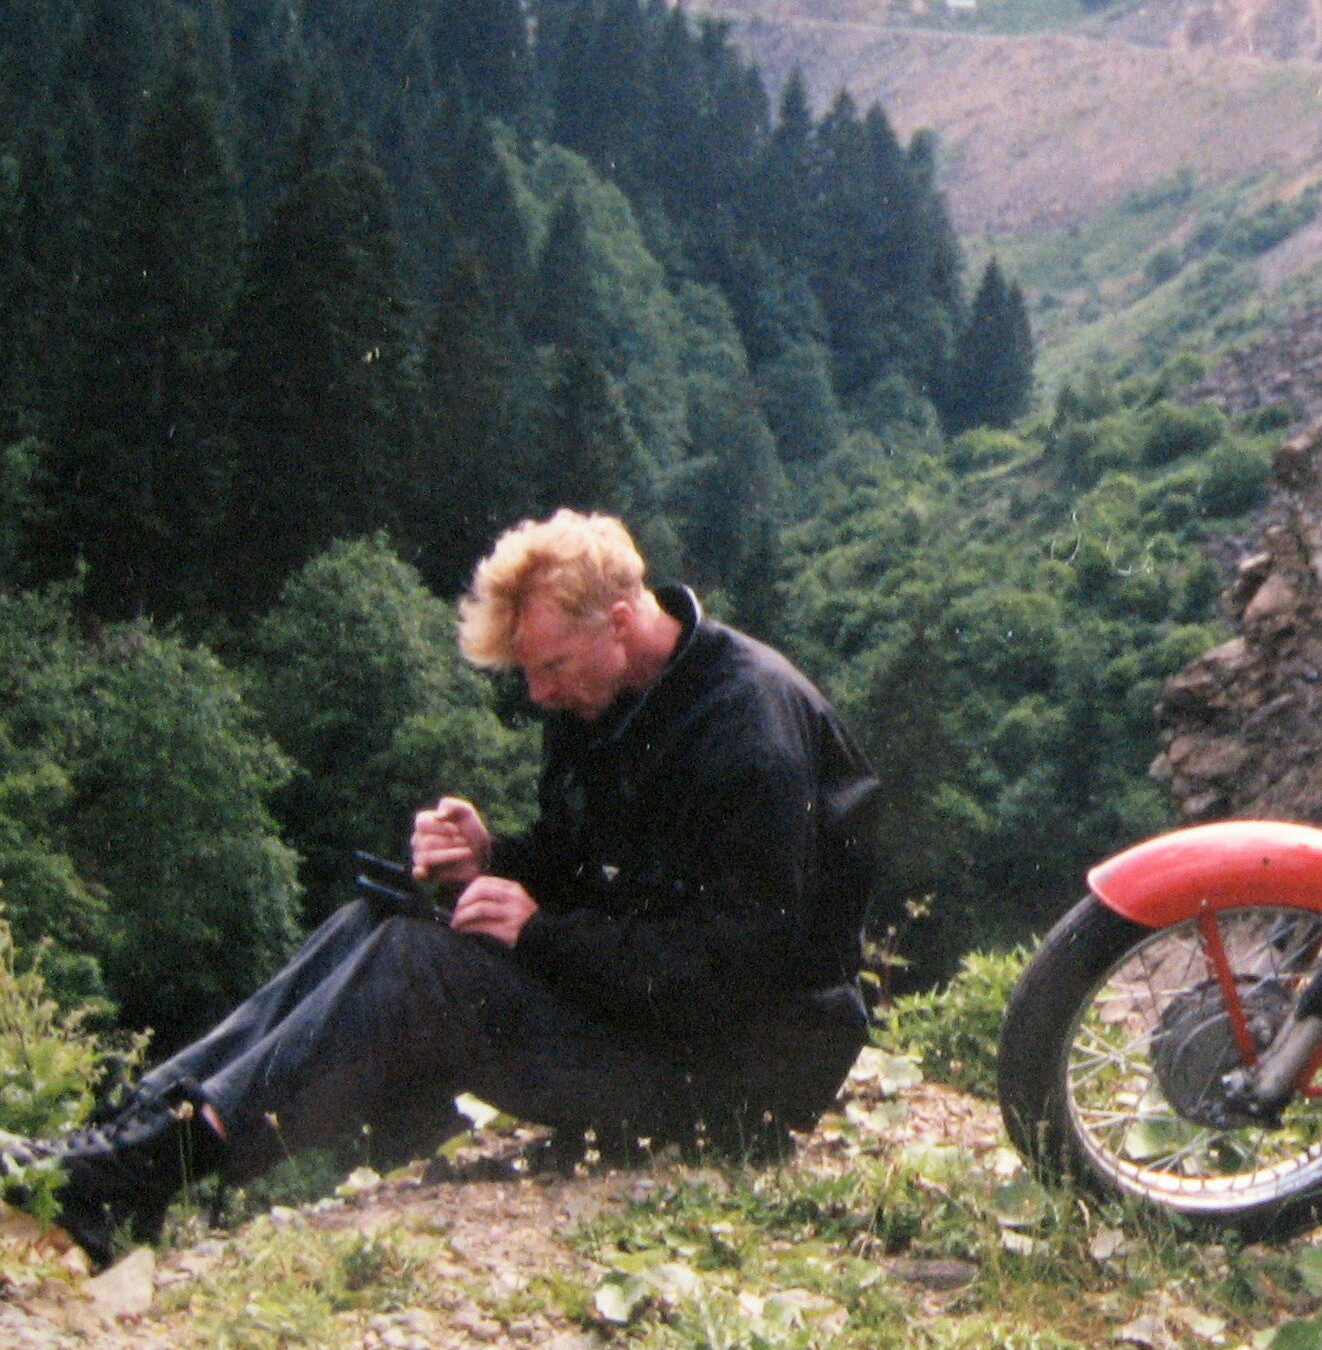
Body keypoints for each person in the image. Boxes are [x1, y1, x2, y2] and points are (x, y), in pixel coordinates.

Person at [6, 511, 877, 1266]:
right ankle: (133, 1139)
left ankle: (150, 1177)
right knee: (377, 918)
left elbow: (731, 971)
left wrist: (536, 933)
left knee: (415, 968)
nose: (537, 693)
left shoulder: (748, 733)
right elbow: (591, 864)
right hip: (657, 1018)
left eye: (551, 667)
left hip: (737, 1074)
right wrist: (490, 859)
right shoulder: (607, 695)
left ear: (620, 620)